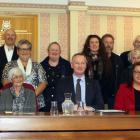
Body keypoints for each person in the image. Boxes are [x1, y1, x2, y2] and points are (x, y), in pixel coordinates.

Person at [2, 39, 47, 110]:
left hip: (34, 101)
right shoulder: (9, 65)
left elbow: (43, 83)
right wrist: (16, 95)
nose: (25, 51)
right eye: (22, 49)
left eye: (27, 49)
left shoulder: (37, 65)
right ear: (17, 51)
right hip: (14, 101)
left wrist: (31, 96)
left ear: (30, 51)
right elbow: (5, 82)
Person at [41, 42, 72, 112]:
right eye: (52, 50)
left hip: (62, 103)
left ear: (60, 52)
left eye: (56, 50)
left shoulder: (66, 65)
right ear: (48, 52)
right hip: (45, 104)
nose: (54, 52)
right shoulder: (41, 66)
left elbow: (70, 84)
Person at [81, 34, 112, 106]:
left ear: (100, 45)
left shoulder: (106, 59)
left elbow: (109, 78)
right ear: (88, 45)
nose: (94, 44)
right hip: (85, 91)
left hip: (102, 93)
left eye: (96, 42)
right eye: (92, 42)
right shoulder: (82, 58)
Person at [101, 33, 123, 109]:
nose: (108, 45)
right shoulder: (97, 59)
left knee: (113, 119)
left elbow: (121, 78)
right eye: (106, 42)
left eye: (111, 43)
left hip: (114, 96)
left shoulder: (118, 59)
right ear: (101, 43)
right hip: (99, 95)